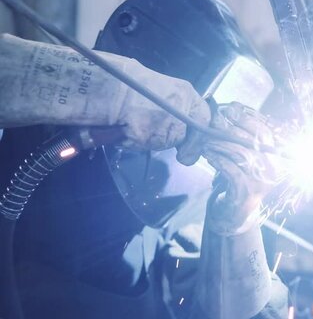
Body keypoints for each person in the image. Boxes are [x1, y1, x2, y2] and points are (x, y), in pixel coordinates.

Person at [0, 33, 288, 318]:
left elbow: (250, 313)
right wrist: (107, 93)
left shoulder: (180, 215)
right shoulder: (24, 128)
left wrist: (238, 221)